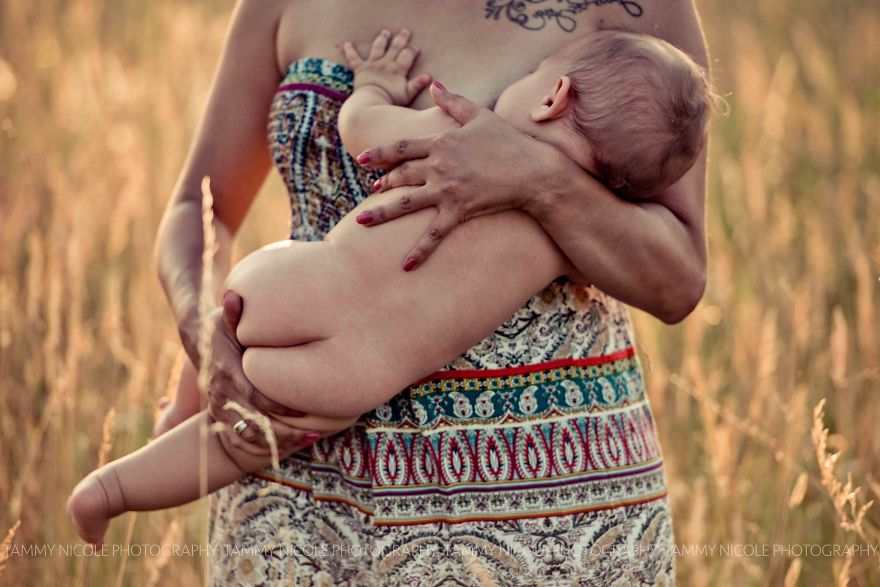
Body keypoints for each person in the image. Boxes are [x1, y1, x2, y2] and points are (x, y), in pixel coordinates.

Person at [126, 1, 710, 584]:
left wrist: (540, 179)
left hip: (549, 506)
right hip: (296, 477)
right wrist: (200, 327)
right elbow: (199, 207)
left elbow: (679, 277)